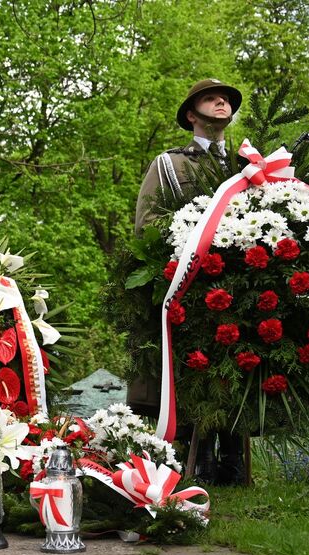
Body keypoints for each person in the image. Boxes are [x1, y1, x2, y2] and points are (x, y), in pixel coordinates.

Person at [128, 78, 246, 485]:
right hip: (189, 283)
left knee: (239, 364)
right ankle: (198, 460)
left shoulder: (247, 166)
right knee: (192, 367)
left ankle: (234, 459)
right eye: (211, 98)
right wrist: (194, 237)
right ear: (192, 114)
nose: (221, 102)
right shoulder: (171, 164)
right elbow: (147, 225)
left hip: (242, 284)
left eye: (226, 99)